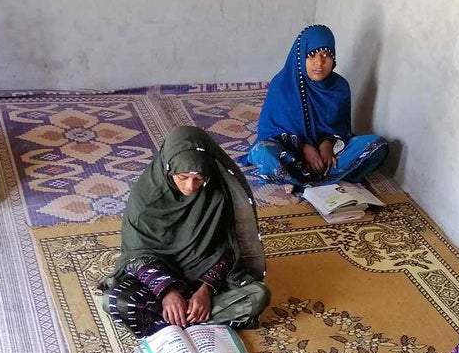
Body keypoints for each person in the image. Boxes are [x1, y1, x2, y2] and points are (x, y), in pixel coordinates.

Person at [102, 126, 270, 336]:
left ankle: (175, 320)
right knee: (117, 302)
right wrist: (167, 292)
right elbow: (136, 257)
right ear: (168, 168)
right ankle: (192, 318)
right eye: (182, 177)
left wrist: (206, 290)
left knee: (258, 295)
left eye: (199, 178)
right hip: (157, 280)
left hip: (204, 275)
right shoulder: (145, 200)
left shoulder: (217, 194)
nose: (191, 186)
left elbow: (228, 247)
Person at [246, 24, 388, 188]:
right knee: (263, 153)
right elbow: (269, 132)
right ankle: (320, 177)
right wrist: (305, 147)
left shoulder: (339, 87)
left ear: (333, 58)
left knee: (377, 145)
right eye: (311, 55)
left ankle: (301, 178)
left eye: (326, 55)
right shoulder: (281, 84)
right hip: (290, 153)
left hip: (328, 154)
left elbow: (341, 128)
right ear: (300, 57)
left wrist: (327, 144)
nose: (319, 63)